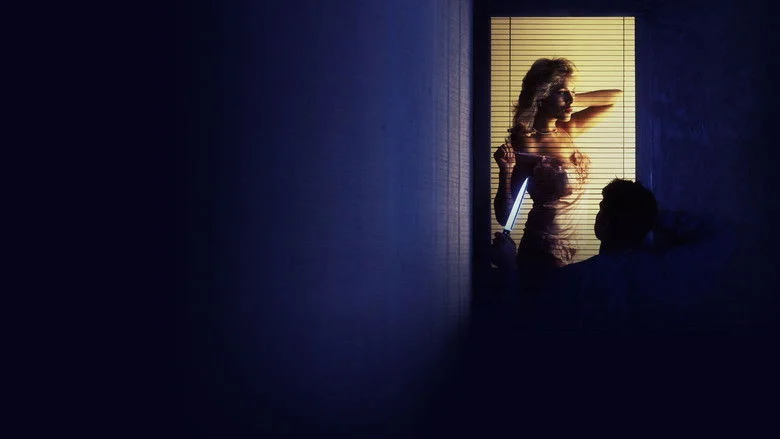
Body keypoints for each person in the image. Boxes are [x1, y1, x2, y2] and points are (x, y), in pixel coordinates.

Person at [494, 58, 622, 290]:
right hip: (544, 250)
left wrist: (569, 97)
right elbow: (505, 216)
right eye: (563, 93)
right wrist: (505, 171)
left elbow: (615, 97)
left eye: (573, 92)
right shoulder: (527, 144)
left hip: (577, 247)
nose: (571, 99)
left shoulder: (568, 130)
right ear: (541, 96)